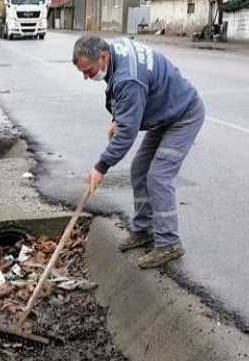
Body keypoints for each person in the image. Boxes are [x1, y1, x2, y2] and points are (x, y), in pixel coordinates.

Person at [73, 34, 205, 269]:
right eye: (82, 72)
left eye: (89, 71)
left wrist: (101, 167)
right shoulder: (114, 50)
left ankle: (169, 243)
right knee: (139, 169)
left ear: (103, 56)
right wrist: (117, 117)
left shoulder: (128, 79)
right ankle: (144, 230)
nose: (86, 77)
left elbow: (127, 133)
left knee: (159, 176)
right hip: (163, 112)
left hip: (183, 115)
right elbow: (123, 99)